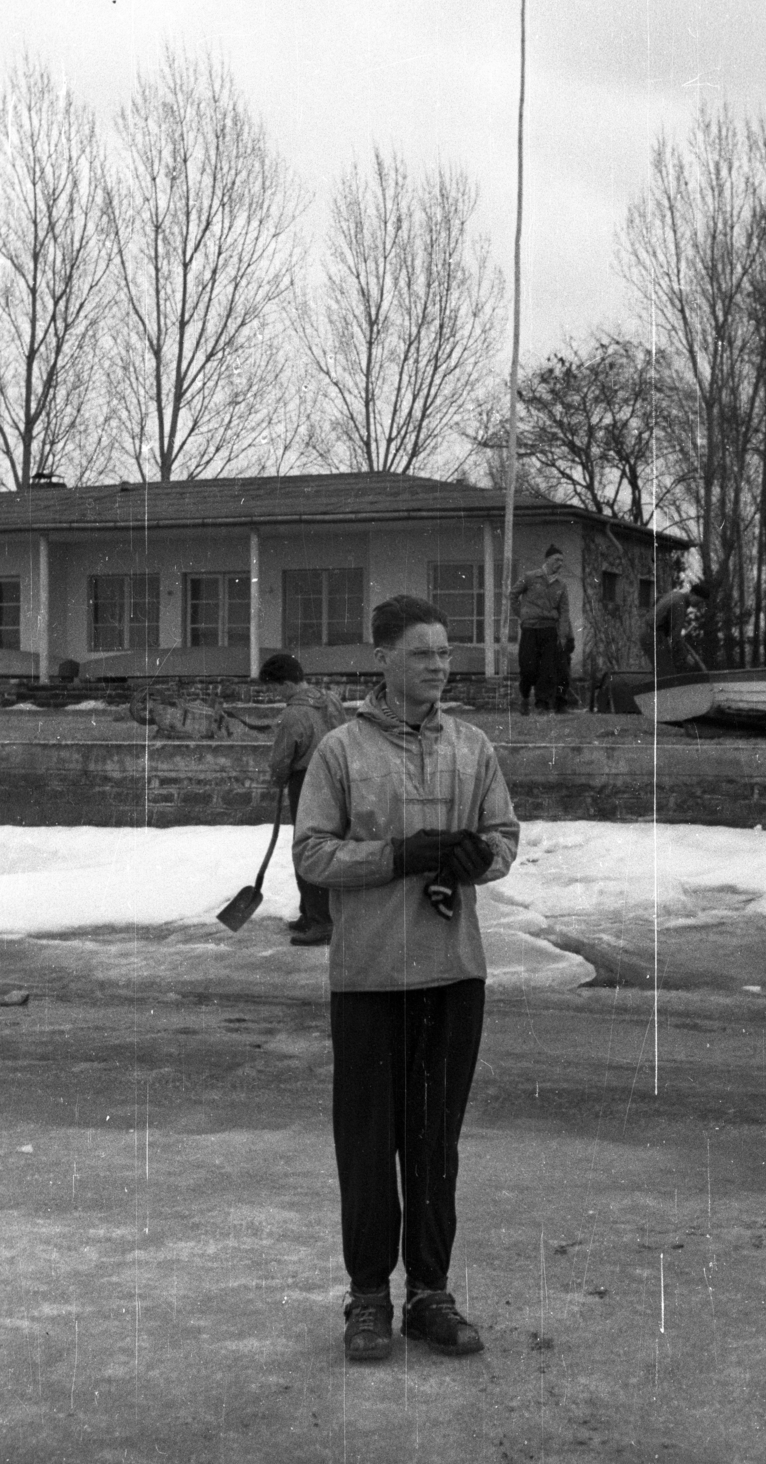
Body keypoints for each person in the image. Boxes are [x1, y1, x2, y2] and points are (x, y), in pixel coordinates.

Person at [292, 595, 519, 1362]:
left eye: (445, 654)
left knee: (434, 1145)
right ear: (382, 657)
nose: (438, 666)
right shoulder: (340, 752)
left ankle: (430, 1294)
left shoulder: (473, 748)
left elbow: (505, 836)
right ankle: (366, 1299)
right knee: (366, 1144)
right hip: (367, 978)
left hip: (452, 975)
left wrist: (475, 858)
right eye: (422, 653)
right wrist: (397, 857)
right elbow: (312, 856)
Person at [260, 652, 347, 946]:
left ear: (285, 684)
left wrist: (278, 777)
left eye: (273, 688)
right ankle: (311, 913)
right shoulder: (331, 700)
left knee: (307, 848)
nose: (273, 694)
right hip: (337, 779)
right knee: (329, 844)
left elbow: (281, 758)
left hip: (306, 781)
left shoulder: (292, 715)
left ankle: (321, 921)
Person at [510, 544, 573, 714]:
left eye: (561, 560)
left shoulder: (561, 584)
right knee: (528, 667)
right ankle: (524, 697)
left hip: (549, 630)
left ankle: (542, 704)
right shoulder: (530, 577)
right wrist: (522, 615)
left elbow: (564, 611)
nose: (559, 563)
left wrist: (562, 635)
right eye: (556, 559)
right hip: (530, 629)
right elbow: (513, 594)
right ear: (547, 560)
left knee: (547, 670)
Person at [636, 582, 711, 678]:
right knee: (667, 674)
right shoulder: (680, 604)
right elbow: (675, 636)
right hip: (652, 636)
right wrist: (685, 656)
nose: (700, 605)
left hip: (650, 632)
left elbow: (658, 599)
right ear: (692, 594)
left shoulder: (675, 594)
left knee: (663, 669)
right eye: (700, 601)